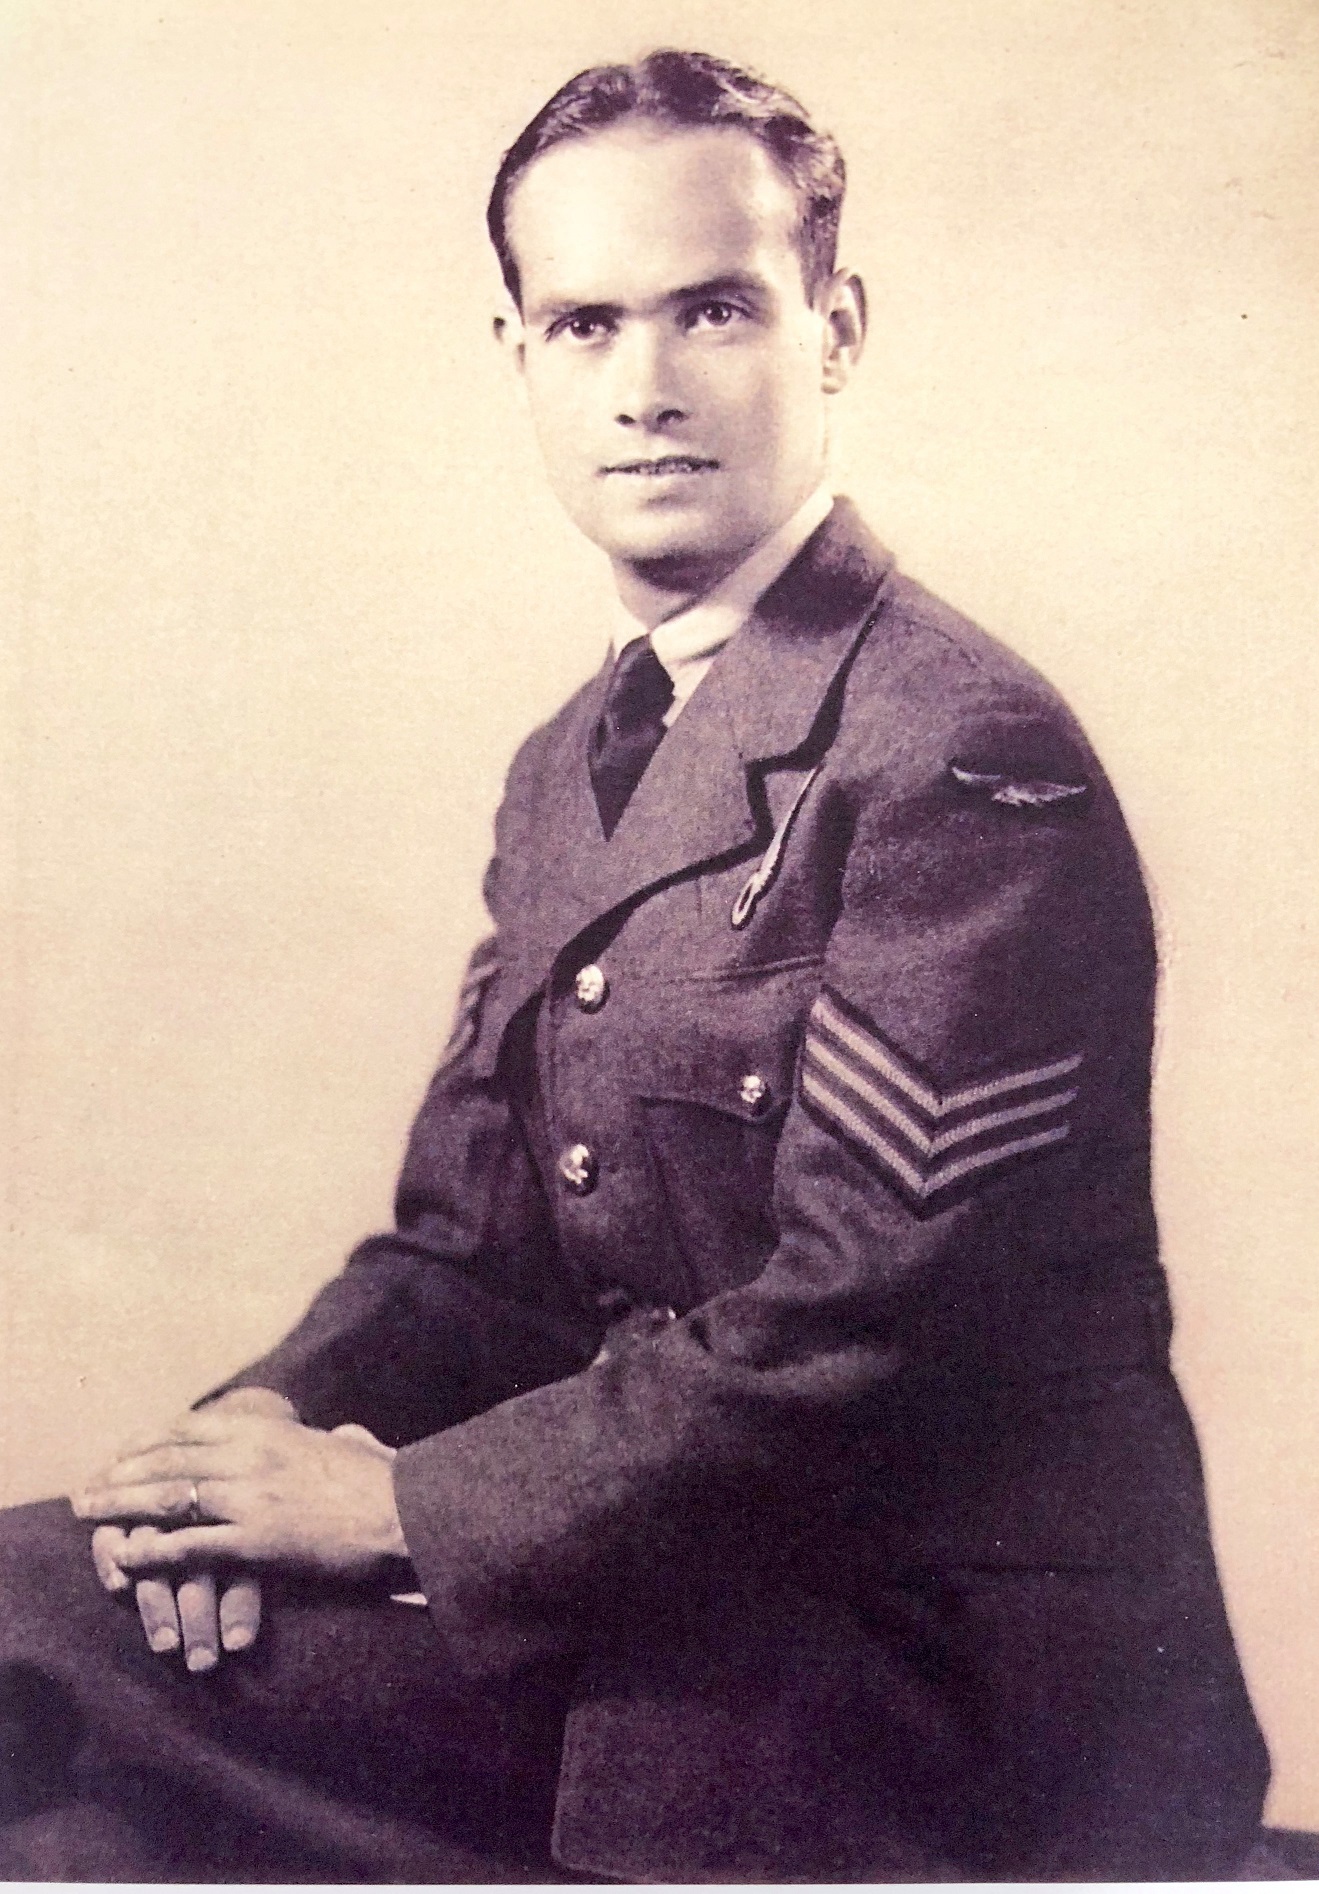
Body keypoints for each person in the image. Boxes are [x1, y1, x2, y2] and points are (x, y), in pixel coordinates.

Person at [0, 48, 1269, 1883]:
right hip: (667, 1616)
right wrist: (238, 1449)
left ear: (834, 331)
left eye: (715, 310)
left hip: (941, 1704)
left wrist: (391, 1503)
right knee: (87, 1823)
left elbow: (857, 1343)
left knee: (26, 1631)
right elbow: (468, 1255)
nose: (647, 384)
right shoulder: (567, 769)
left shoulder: (958, 753)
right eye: (585, 322)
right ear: (515, 355)